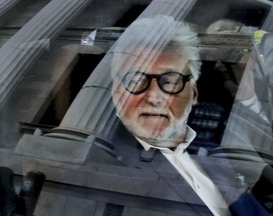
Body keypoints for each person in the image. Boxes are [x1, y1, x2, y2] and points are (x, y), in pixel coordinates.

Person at [110, 15, 272, 216]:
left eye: (170, 81)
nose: (153, 97)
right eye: (135, 80)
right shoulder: (95, 164)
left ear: (193, 94)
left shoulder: (217, 153)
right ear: (114, 90)